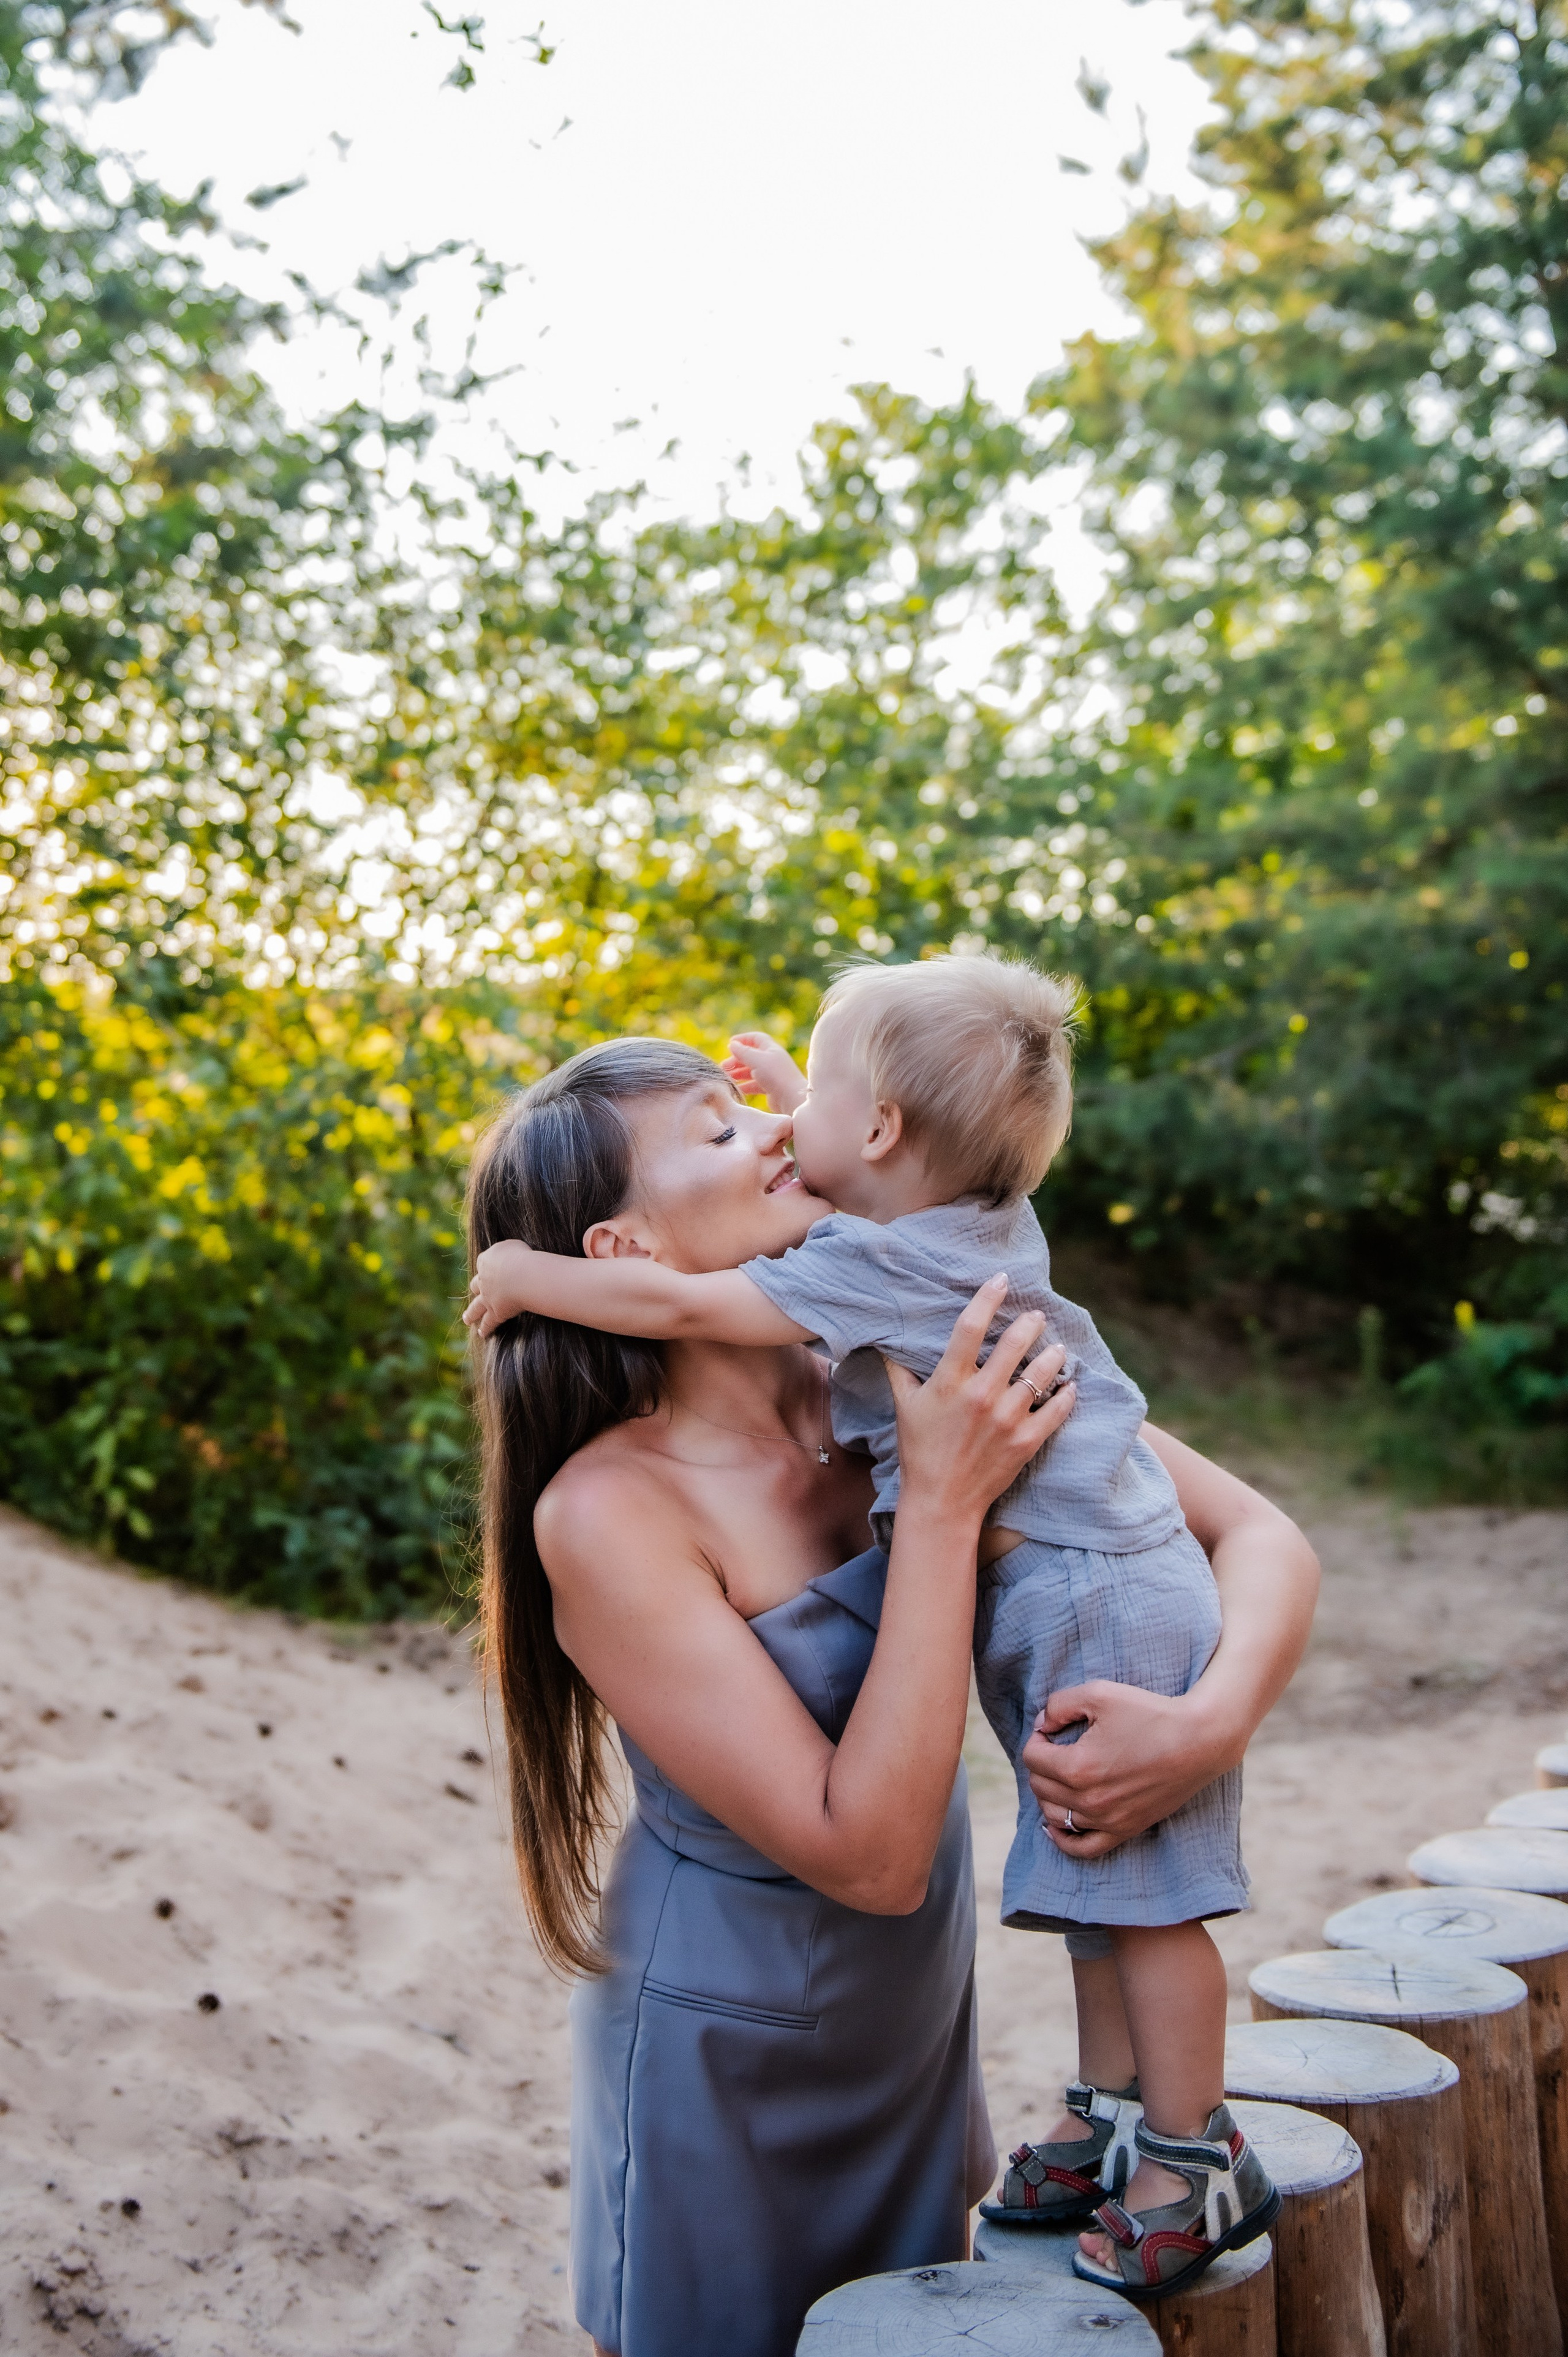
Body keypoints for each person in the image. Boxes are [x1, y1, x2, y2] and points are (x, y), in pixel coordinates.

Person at [468, 959, 1313, 2304]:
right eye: (719, 1132)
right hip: (732, 2044)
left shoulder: (899, 1360)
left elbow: (1259, 1536)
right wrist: (941, 1506)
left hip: (915, 2017)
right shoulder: (609, 1514)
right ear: (620, 1256)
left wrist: (1201, 1730)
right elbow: (867, 1858)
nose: (775, 1131)